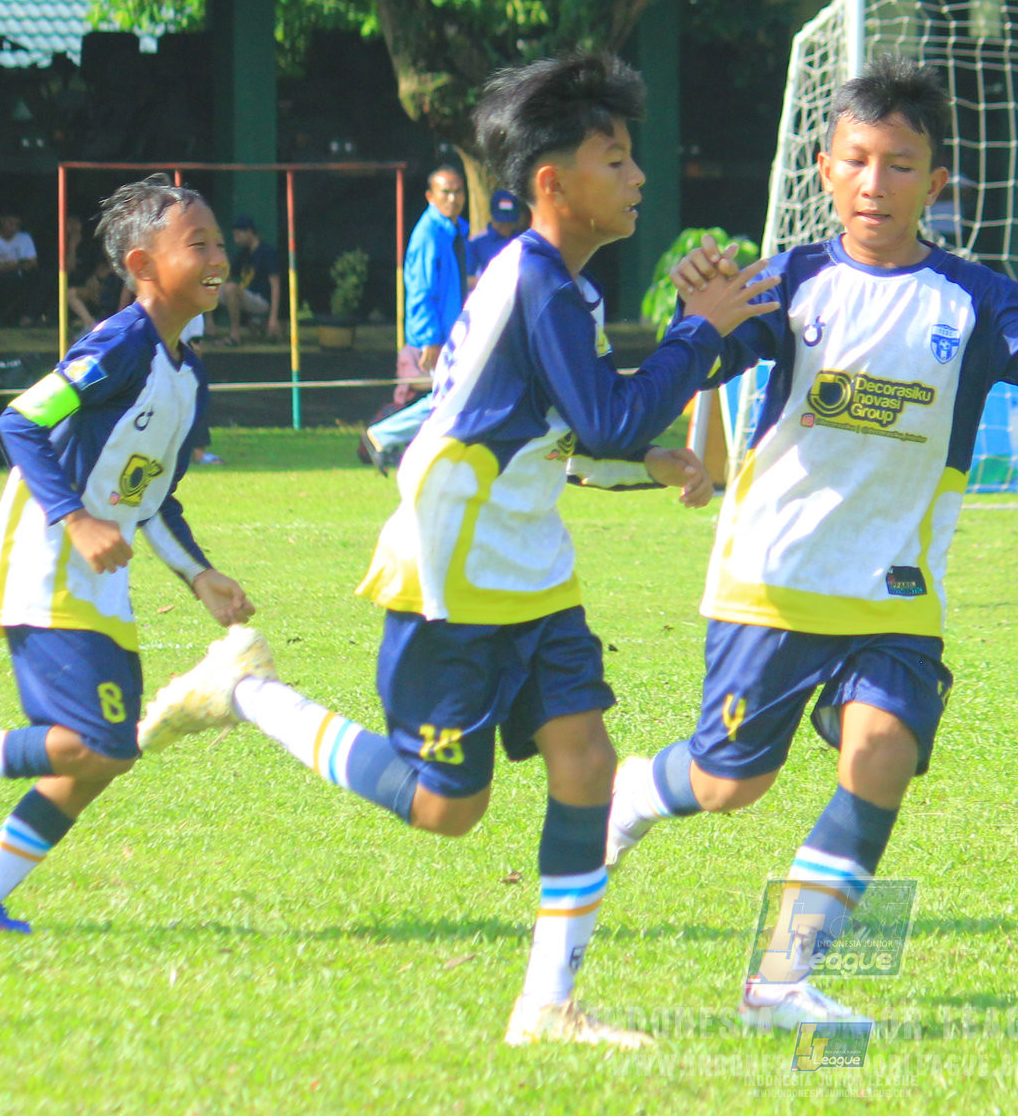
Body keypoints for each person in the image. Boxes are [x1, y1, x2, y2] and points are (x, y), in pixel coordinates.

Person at [135, 53, 775, 1049]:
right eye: (615, 158)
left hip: (532, 564)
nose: (639, 175)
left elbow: (559, 429)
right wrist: (696, 337)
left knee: (585, 760)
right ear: (553, 181)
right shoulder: (534, 281)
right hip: (455, 570)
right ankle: (247, 691)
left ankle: (547, 1003)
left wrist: (656, 441)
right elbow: (604, 415)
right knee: (446, 808)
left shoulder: (561, 288)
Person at [605, 63, 1018, 1035]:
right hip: (775, 575)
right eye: (855, 160)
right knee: (731, 782)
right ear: (824, 168)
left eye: (898, 165)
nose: (873, 183)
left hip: (895, 585)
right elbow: (710, 348)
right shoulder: (792, 280)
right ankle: (636, 791)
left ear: (934, 182)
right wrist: (699, 317)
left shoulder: (972, 298)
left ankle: (780, 981)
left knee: (882, 749)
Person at [0, 176, 257, 933]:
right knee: (91, 743)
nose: (217, 258)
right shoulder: (121, 344)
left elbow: (151, 496)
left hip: (98, 576)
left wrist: (199, 573)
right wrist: (75, 518)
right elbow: (22, 421)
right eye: (198, 244)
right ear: (142, 264)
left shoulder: (188, 372)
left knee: (104, 757)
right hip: (45, 555)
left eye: (219, 243)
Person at [397, 167, 468, 400]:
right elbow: (421, 290)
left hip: (450, 338)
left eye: (458, 192)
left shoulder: (453, 231)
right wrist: (429, 339)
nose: (453, 199)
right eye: (445, 192)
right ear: (430, 196)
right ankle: (381, 429)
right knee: (429, 406)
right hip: (430, 344)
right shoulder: (428, 234)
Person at [221, 215, 284, 346]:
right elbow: (226, 275)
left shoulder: (267, 252)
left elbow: (275, 286)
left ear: (249, 232)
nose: (236, 239)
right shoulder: (244, 253)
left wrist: (273, 318)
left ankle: (234, 336)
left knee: (230, 288)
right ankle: (207, 327)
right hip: (247, 299)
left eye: (238, 234)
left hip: (262, 301)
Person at [466, 188, 527, 285]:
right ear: (492, 216)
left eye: (509, 221)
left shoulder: (524, 241)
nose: (506, 224)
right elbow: (466, 280)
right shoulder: (476, 244)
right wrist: (494, 282)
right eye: (501, 221)